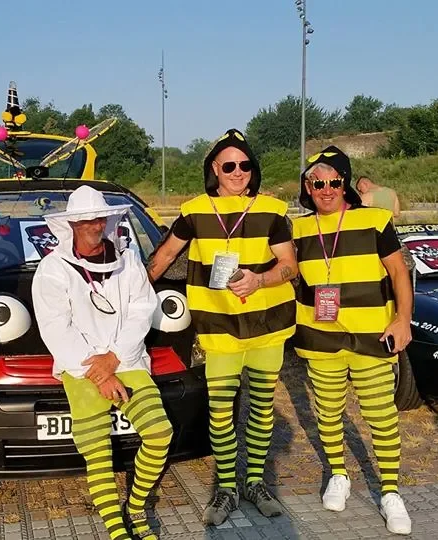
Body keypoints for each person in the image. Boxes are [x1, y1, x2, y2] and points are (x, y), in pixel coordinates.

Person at [146, 129, 297, 526]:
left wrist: (260, 280)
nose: (237, 172)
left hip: (267, 326)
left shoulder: (273, 210)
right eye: (229, 165)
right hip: (219, 329)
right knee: (221, 413)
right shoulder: (194, 210)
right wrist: (129, 297)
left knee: (262, 408)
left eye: (245, 165)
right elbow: (164, 256)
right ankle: (227, 488)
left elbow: (290, 266)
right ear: (215, 168)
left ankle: (255, 483)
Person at [31, 185, 173, 540]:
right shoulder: (53, 268)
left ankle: (135, 508)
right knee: (97, 451)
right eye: (86, 221)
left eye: (100, 219)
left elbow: (142, 309)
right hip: (81, 367)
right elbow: (55, 328)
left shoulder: (128, 260)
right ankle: (115, 528)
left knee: (160, 433)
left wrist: (114, 357)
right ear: (72, 225)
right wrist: (98, 372)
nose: (95, 226)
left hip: (126, 360)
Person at [292, 145, 413, 535]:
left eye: (334, 182)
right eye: (318, 183)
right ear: (307, 188)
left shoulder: (375, 220)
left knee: (381, 415)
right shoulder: (297, 229)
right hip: (320, 337)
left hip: (372, 336)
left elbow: (398, 272)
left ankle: (390, 492)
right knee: (328, 413)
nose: (326, 190)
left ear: (345, 183)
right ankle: (339, 474)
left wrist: (403, 319)